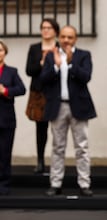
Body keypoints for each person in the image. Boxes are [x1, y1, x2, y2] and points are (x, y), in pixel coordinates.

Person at [40, 25, 97, 197]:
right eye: (63, 37)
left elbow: (86, 77)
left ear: (75, 39)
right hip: (58, 107)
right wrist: (56, 66)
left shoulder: (83, 55)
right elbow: (43, 79)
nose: (66, 40)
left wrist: (71, 63)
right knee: (58, 147)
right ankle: (55, 183)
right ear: (59, 37)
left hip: (79, 106)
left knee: (82, 147)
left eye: (70, 37)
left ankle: (84, 183)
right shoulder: (51, 56)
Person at [25, 18, 60, 174]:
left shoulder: (59, 47)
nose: (45, 30)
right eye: (43, 27)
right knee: (41, 128)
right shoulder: (34, 48)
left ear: (55, 31)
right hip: (39, 91)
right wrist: (41, 62)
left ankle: (57, 162)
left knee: (58, 129)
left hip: (55, 91)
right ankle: (40, 160)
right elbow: (29, 70)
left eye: (49, 27)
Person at [0, 41, 26, 195]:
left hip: (6, 118)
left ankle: (4, 182)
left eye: (1, 50)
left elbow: (22, 89)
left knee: (4, 152)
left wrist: (6, 91)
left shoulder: (11, 71)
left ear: (5, 52)